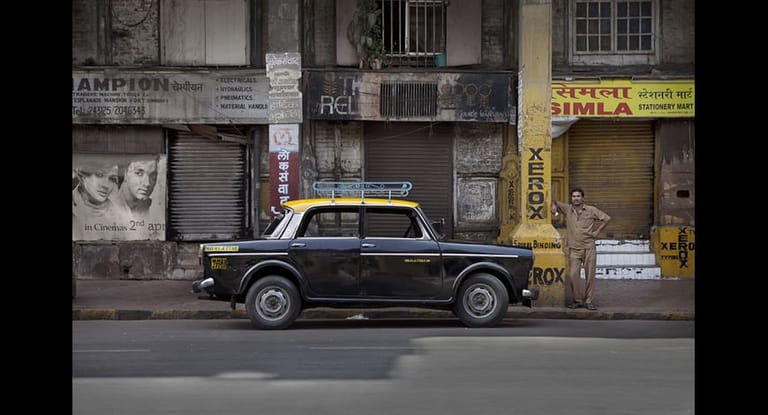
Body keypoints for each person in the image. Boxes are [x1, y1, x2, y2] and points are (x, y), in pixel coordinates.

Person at [552, 187, 611, 311]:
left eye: (578, 196)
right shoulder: (568, 209)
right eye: (574, 196)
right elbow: (554, 201)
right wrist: (554, 206)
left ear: (582, 198)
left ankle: (589, 301)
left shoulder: (591, 210)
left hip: (589, 247)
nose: (576, 198)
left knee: (590, 276)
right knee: (573, 275)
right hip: (574, 249)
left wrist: (597, 231)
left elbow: (606, 218)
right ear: (571, 198)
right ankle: (577, 300)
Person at [72, 161, 122, 228]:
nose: (106, 185)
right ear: (82, 175)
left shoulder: (119, 215)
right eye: (99, 175)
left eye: (112, 179)